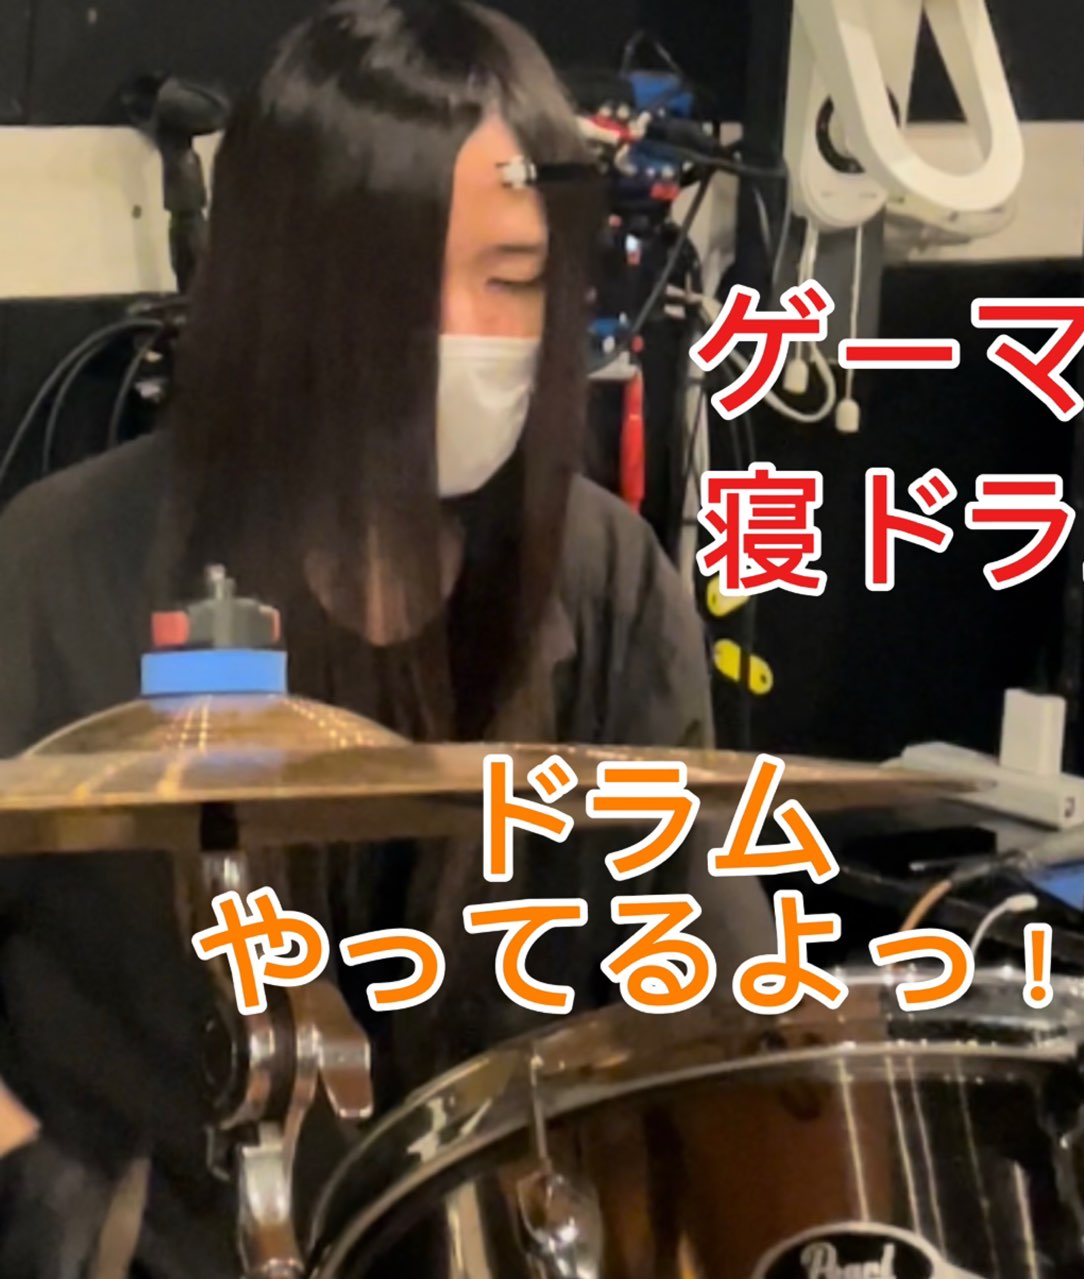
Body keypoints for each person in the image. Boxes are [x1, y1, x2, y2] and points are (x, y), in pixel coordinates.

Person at [0, 1, 773, 1273]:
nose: (468, 332)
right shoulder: (56, 566)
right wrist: (43, 1195)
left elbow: (717, 1010)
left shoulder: (606, 578)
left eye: (510, 280)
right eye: (407, 284)